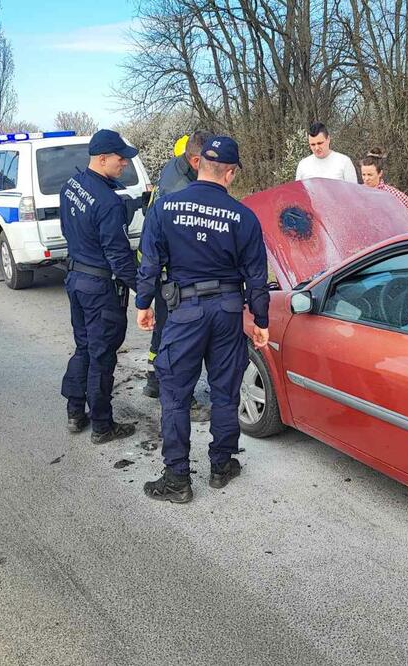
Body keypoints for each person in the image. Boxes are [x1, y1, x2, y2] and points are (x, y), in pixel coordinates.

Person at [136, 136, 269, 503]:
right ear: (229, 173)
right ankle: (222, 465)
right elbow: (256, 277)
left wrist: (143, 303)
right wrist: (260, 320)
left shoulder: (164, 208)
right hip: (227, 310)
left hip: (185, 312)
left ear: (198, 165)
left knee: (176, 396)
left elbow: (150, 262)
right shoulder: (243, 217)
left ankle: (177, 478)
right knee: (225, 393)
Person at [60, 129, 139, 444]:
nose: (125, 164)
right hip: (99, 288)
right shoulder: (107, 201)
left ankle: (75, 412)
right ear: (102, 158)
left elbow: (71, 229)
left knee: (84, 347)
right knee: (102, 355)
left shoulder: (71, 186)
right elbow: (119, 258)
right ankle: (103, 426)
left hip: (76, 278)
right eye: (121, 159)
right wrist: (145, 292)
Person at [141, 130, 213, 426]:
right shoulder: (182, 189)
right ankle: (184, 399)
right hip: (170, 269)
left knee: (165, 327)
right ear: (196, 160)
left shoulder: (174, 165)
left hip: (155, 263)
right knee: (181, 336)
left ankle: (154, 379)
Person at [359, 148, 408, 217]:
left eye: (370, 175)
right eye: (363, 174)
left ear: (380, 173)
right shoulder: (357, 191)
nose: (366, 179)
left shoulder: (390, 192)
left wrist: (396, 217)